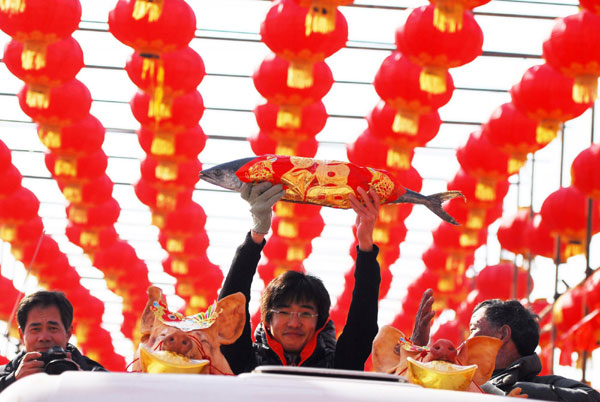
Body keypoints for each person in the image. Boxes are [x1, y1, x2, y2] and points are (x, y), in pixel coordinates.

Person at [219, 182, 381, 373]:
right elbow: (229, 310)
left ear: (319, 322)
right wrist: (256, 235)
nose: (294, 323)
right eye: (284, 312)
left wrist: (366, 246)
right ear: (268, 319)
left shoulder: (338, 367)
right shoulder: (245, 362)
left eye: (305, 313)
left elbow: (363, 324)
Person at [411, 289, 600, 401]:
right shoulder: (455, 377)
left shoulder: (537, 386)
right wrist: (415, 347)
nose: (466, 341)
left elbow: (591, 397)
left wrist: (505, 392)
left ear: (502, 334)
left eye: (474, 329)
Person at [0, 290, 106, 392]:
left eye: (53, 328)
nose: (44, 337)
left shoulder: (96, 375)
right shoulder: (5, 375)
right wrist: (13, 381)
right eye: (35, 329)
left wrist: (86, 384)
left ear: (68, 333)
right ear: (21, 335)